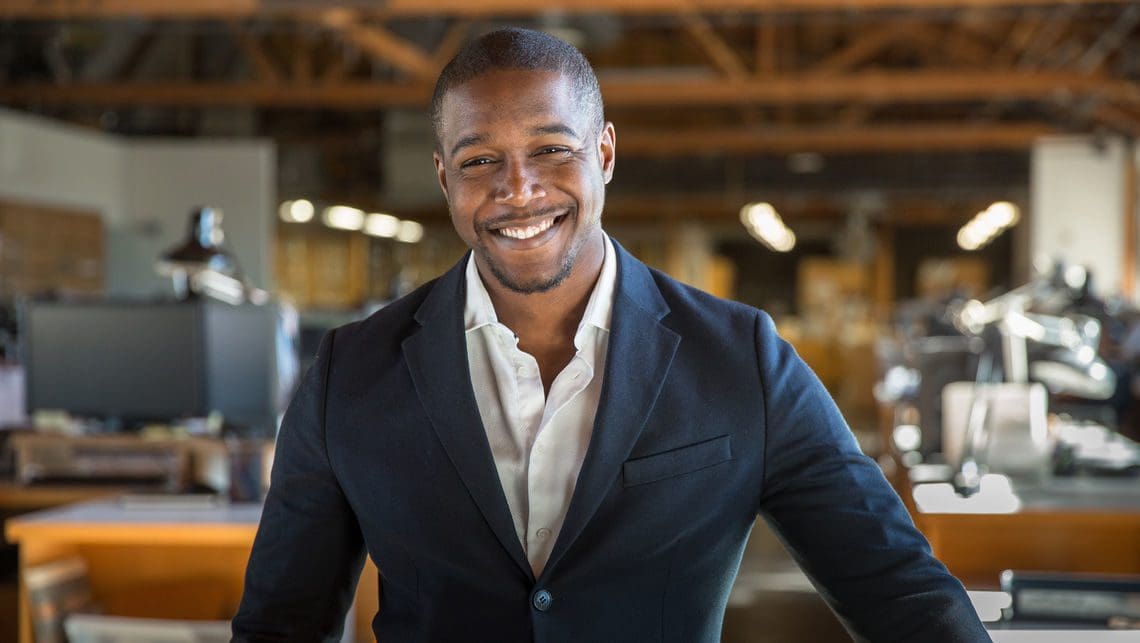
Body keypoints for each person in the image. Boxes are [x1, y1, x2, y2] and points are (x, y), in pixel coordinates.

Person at [232, 27, 990, 643]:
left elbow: (899, 590)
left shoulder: (741, 358)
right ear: (444, 178)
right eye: (480, 159)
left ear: (604, 153)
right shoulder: (350, 374)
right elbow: (279, 624)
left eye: (552, 149)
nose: (518, 188)